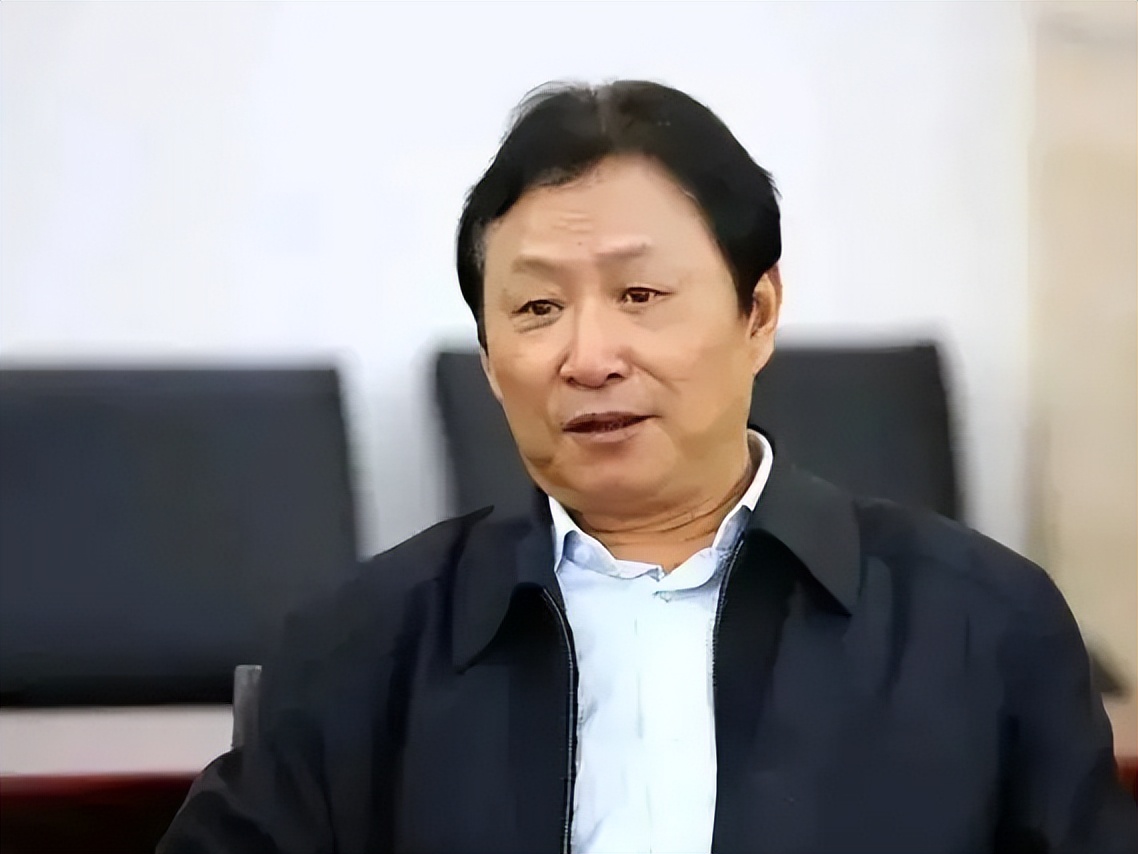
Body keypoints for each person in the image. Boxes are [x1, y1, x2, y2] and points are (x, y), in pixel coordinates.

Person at [159, 80, 1137, 854]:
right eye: (537, 308)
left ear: (757, 313)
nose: (589, 356)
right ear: (492, 357)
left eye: (640, 294)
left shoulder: (979, 627)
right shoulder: (361, 648)